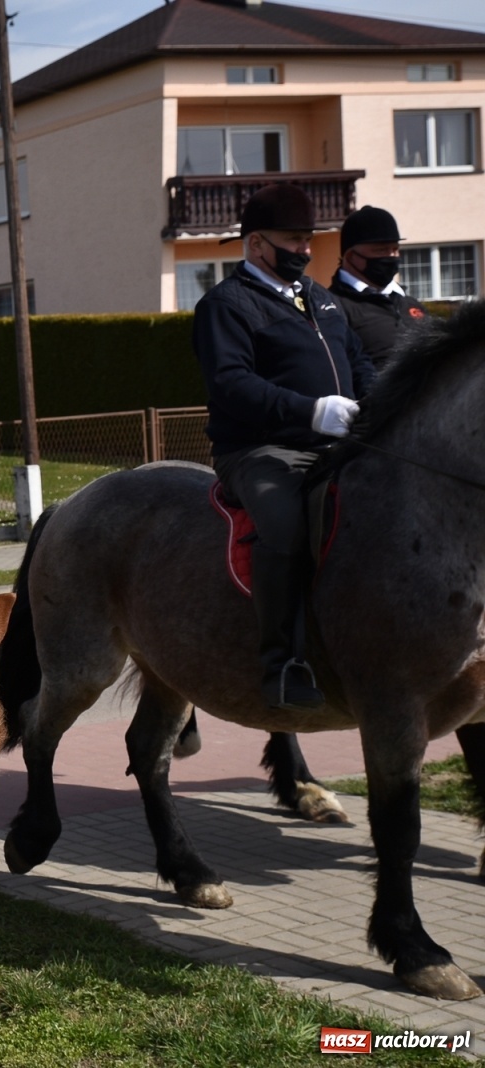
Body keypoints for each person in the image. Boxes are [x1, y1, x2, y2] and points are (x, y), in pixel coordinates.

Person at [193, 183, 373, 712]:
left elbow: (358, 361)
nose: (304, 250)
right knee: (287, 527)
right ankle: (283, 664)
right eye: (292, 241)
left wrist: (381, 402)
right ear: (255, 245)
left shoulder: (321, 299)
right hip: (261, 450)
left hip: (338, 442)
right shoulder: (225, 306)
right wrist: (310, 411)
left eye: (308, 240)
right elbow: (230, 384)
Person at [329, 205, 428, 371]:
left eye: (395, 249)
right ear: (351, 256)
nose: (391, 256)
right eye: (381, 250)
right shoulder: (332, 306)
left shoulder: (410, 304)